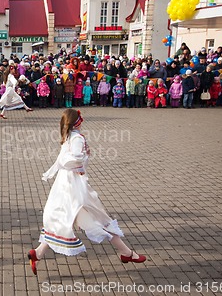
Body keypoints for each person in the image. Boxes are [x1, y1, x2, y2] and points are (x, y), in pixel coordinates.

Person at [27, 109, 146, 275]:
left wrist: (81, 159)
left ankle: (38, 253)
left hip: (65, 186)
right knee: (98, 220)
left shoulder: (68, 136)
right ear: (78, 122)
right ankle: (127, 254)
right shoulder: (76, 138)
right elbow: (72, 159)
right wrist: (81, 162)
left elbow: (66, 159)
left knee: (63, 220)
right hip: (75, 188)